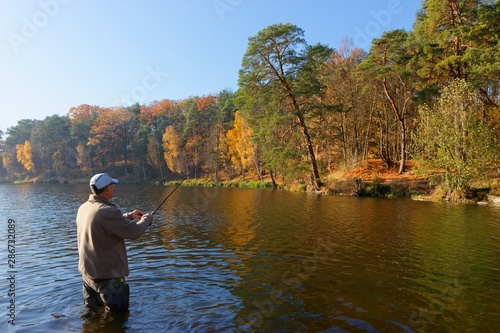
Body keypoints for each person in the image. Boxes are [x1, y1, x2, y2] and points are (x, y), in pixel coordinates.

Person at [76, 173, 154, 313]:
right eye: (112, 185)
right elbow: (134, 232)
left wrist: (129, 216)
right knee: (118, 318)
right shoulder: (108, 212)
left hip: (88, 276)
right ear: (107, 188)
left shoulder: (84, 208)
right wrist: (147, 219)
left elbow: (102, 224)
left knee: (92, 315)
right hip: (108, 279)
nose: (113, 187)